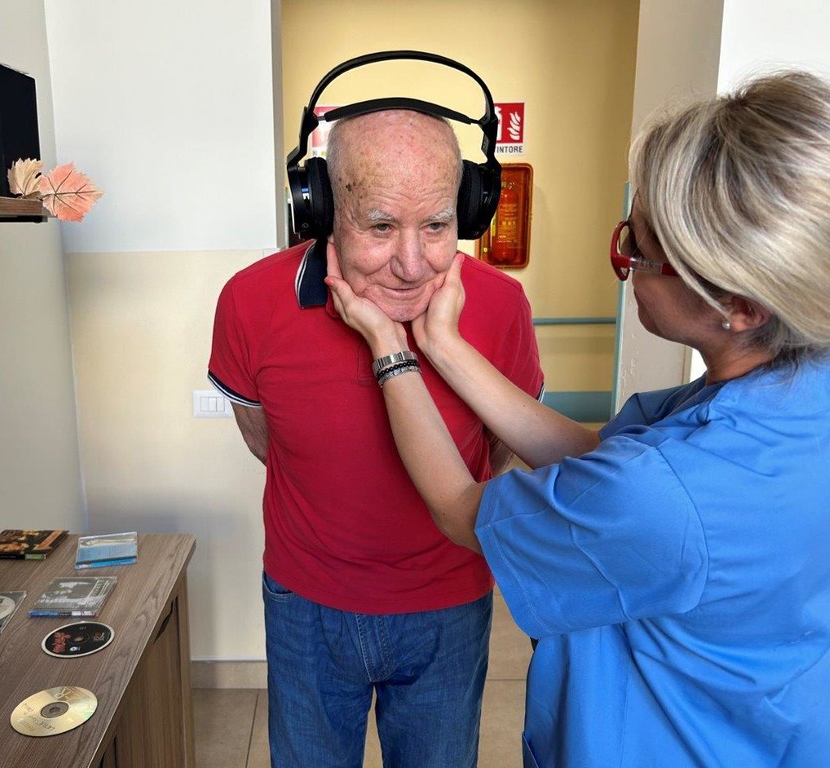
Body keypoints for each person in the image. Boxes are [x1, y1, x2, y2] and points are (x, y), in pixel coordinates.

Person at [325, 69, 830, 767]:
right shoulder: (791, 395)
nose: (622, 261)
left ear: (739, 306)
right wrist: (443, 344)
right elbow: (595, 458)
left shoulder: (665, 494)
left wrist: (388, 345)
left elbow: (460, 507)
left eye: (638, 250)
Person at [208, 107, 543, 767]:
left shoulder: (503, 306)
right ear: (322, 209)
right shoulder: (249, 301)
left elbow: (499, 450)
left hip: (450, 605)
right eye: (382, 227)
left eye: (437, 226)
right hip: (306, 603)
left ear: (466, 211)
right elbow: (264, 439)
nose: (412, 266)